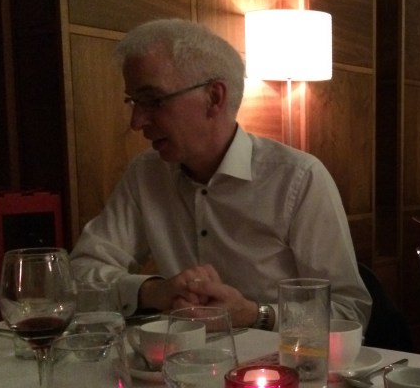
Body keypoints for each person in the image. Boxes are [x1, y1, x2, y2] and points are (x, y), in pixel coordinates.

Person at [70, 19, 371, 330]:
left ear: (214, 97)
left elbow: (349, 312)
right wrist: (152, 291)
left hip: (279, 358)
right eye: (134, 102)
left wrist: (255, 314)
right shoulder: (146, 174)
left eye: (153, 101)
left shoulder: (297, 178)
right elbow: (80, 272)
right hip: (181, 357)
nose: (136, 122)